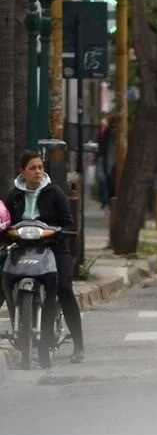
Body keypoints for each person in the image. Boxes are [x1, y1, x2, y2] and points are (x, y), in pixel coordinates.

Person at [3, 151, 85, 366]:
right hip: (21, 249)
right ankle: (17, 328)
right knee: (4, 278)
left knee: (64, 287)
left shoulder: (54, 193)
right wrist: (9, 232)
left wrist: (54, 232)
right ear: (23, 172)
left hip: (54, 248)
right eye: (32, 168)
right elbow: (5, 223)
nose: (38, 171)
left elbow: (69, 224)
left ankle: (78, 344)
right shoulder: (13, 196)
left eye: (40, 167)